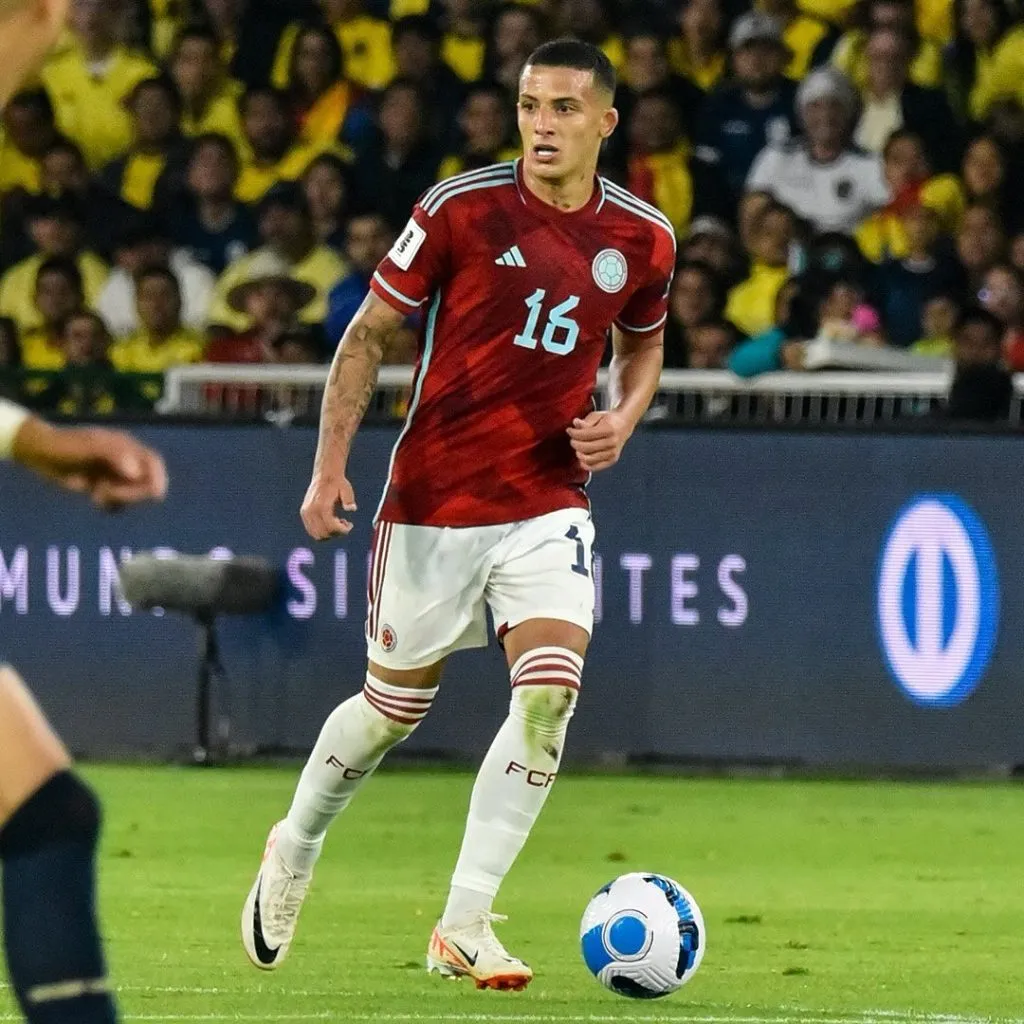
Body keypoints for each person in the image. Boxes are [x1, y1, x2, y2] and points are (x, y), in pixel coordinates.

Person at [242, 38, 674, 990]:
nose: (542, 125)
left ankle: (465, 922)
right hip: (436, 498)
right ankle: (296, 843)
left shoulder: (644, 237)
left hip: (549, 497)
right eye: (529, 106)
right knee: (390, 712)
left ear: (606, 122)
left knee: (550, 694)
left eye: (564, 108)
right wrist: (327, 467)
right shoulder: (460, 208)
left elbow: (644, 344)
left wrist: (623, 417)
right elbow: (369, 333)